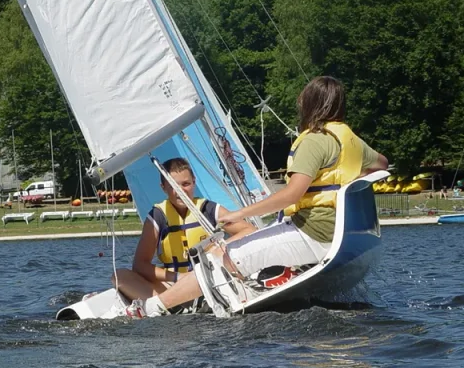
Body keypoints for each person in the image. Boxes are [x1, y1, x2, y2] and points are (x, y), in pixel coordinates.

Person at [139, 75, 388, 316]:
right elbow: (382, 163)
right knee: (234, 251)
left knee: (222, 258)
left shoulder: (315, 141)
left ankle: (151, 308)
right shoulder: (351, 140)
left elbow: (291, 195)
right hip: (339, 236)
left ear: (311, 104)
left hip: (312, 233)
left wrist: (241, 213)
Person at [112, 157, 254, 302]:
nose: (180, 191)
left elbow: (249, 230)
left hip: (211, 278)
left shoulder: (208, 209)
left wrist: (217, 250)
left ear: (194, 182)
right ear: (163, 187)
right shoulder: (158, 216)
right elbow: (140, 265)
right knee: (119, 276)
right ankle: (169, 302)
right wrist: (178, 277)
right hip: (175, 283)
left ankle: (168, 302)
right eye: (173, 185)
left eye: (186, 184)